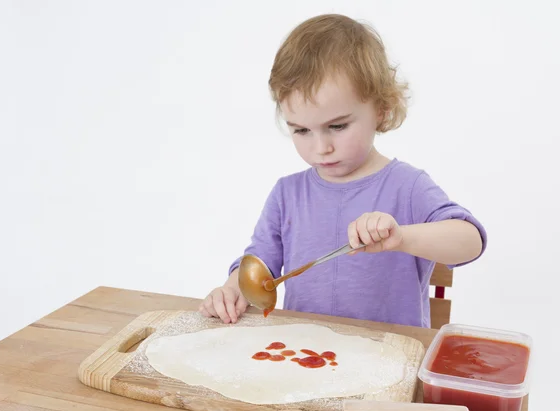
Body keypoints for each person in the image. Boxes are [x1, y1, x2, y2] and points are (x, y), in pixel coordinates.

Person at [198, 13, 486, 328]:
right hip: (306, 356)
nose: (320, 147)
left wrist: (402, 236)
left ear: (380, 108)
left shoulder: (407, 185)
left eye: (337, 126)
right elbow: (258, 266)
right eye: (301, 130)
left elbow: (470, 240)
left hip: (391, 360)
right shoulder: (287, 194)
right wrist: (232, 288)